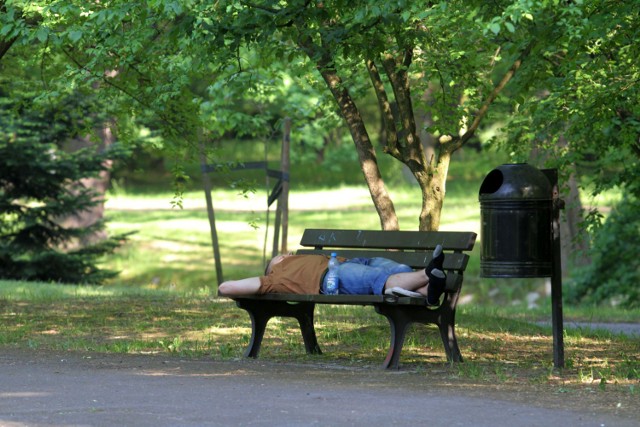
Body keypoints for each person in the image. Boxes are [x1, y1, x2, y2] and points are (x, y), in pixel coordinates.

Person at [218, 245, 448, 306]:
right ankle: (428, 273)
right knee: (379, 278)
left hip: (347, 264)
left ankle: (429, 290)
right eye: (280, 255)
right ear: (274, 264)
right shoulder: (275, 278)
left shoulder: (296, 259)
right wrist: (263, 278)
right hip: (334, 276)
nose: (286, 253)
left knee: (392, 270)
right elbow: (225, 288)